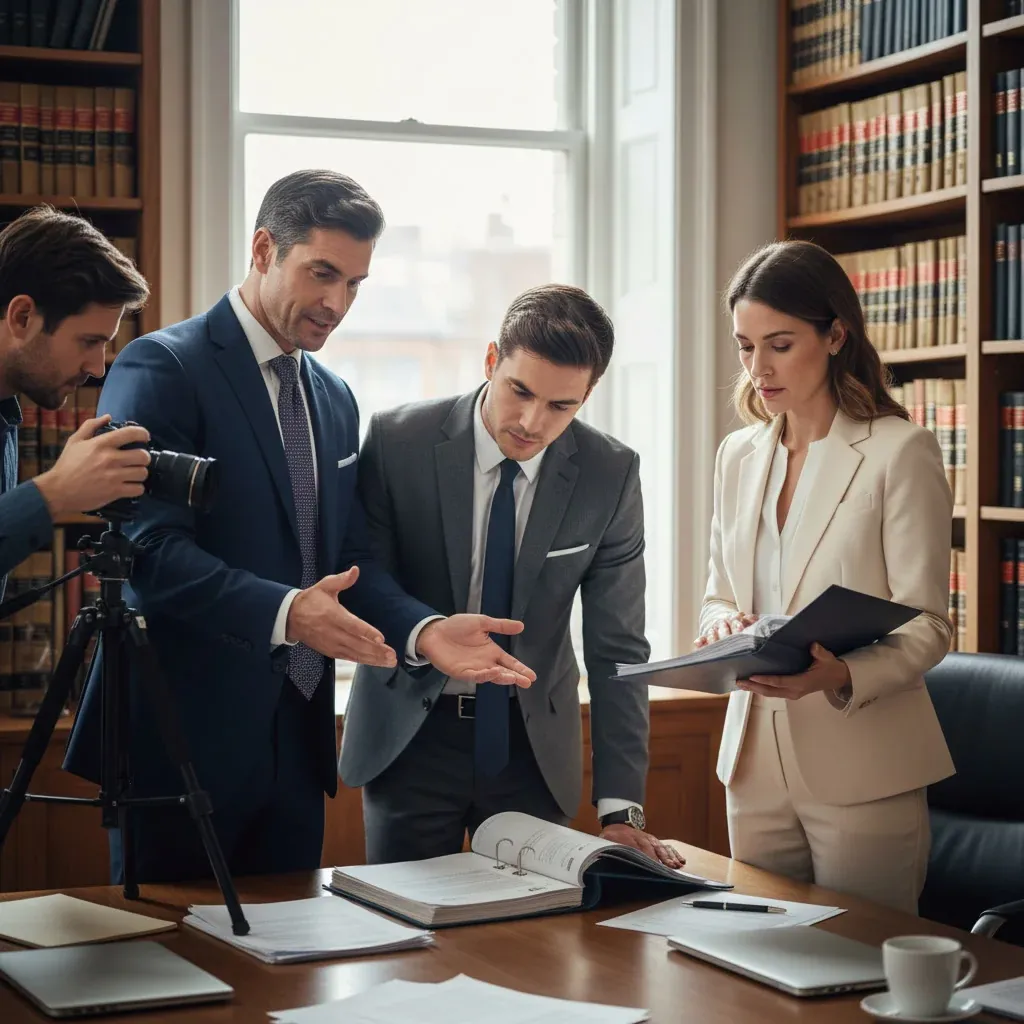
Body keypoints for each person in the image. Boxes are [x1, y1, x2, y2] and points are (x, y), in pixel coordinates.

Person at [64, 170, 535, 884]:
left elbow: (344, 559)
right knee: (172, 977)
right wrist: (288, 614)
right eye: (322, 274)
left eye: (354, 284)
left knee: (288, 976)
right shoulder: (163, 366)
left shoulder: (334, 397)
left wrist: (424, 631)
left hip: (299, 745)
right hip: (182, 741)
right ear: (263, 249)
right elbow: (144, 552)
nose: (336, 303)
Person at [340, 284, 682, 868]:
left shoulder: (610, 471)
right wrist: (427, 631)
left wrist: (622, 809)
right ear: (492, 359)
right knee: (404, 940)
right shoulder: (399, 440)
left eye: (561, 406)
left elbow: (618, 644)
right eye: (519, 391)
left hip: (532, 750)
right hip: (411, 741)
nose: (531, 422)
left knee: (532, 947)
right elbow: (361, 573)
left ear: (587, 394)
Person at [696, 240, 954, 913]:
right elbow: (719, 589)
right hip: (753, 763)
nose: (758, 368)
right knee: (759, 970)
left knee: (858, 970)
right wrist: (721, 621)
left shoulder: (900, 452)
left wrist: (838, 675)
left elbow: (928, 624)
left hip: (863, 762)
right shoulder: (738, 455)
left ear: (835, 334)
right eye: (745, 346)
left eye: (779, 344)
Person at [0, 207, 152, 602]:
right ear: (22, 317)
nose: (98, 367)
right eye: (89, 341)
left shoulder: (6, 416)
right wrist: (55, 492)